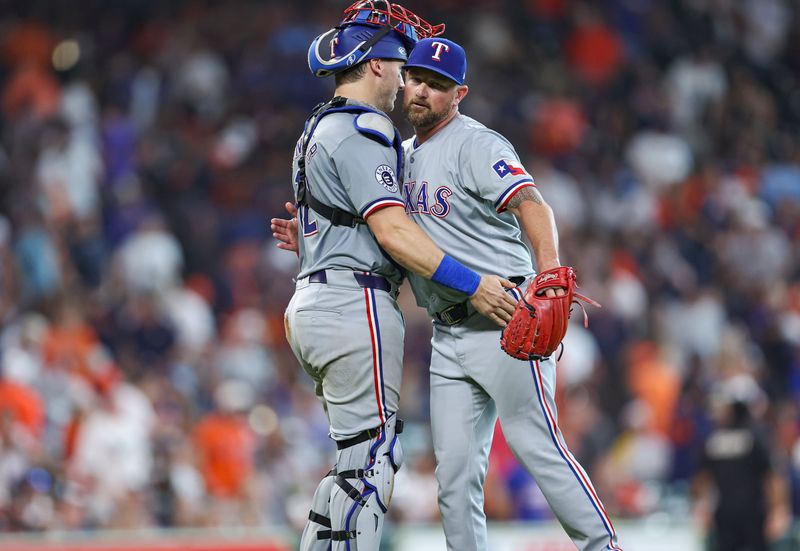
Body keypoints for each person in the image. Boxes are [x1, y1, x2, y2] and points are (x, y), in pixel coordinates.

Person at [274, 35, 622, 551]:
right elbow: (394, 236)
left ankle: (604, 546)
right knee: (455, 480)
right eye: (415, 78)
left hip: (504, 318)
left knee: (537, 448)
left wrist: (549, 270)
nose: (420, 93)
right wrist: (328, 236)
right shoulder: (399, 153)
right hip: (448, 334)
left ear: (459, 94)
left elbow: (533, 204)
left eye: (437, 86)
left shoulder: (477, 143)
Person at [281, 4, 517, 550]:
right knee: (373, 459)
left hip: (317, 300)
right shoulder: (365, 128)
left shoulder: (319, 125)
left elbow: (344, 220)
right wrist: (475, 283)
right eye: (402, 64)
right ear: (379, 66)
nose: (407, 78)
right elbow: (392, 231)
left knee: (350, 462)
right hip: (352, 303)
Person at [692, 376, 790, 551]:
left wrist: (701, 506)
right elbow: (773, 477)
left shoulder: (715, 438)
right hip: (753, 514)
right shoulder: (758, 436)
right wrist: (779, 510)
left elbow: (702, 479)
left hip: (725, 514)